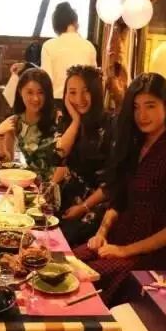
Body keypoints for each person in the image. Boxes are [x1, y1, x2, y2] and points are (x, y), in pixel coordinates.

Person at [75, 73, 166, 307]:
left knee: (83, 280)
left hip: (154, 255)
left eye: (150, 106)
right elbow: (119, 199)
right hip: (119, 238)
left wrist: (125, 251)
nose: (142, 115)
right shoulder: (136, 145)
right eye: (136, 107)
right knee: (66, 262)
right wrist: (101, 232)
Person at [54, 65, 117, 246]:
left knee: (62, 240)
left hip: (96, 203)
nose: (79, 99)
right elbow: (59, 158)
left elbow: (112, 182)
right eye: (72, 92)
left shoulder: (112, 125)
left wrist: (83, 207)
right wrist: (75, 122)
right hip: (67, 196)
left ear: (96, 92)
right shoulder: (67, 121)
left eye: (86, 91)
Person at [0, 68, 57, 181]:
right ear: (20, 91)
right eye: (30, 92)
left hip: (56, 184)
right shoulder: (15, 122)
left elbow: (65, 164)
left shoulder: (57, 119)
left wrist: (50, 186)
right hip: (30, 182)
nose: (35, 98)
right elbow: (7, 161)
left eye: (41, 92)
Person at [41, 2, 97, 106]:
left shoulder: (48, 46)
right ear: (75, 22)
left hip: (58, 103)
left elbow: (46, 81)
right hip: (84, 103)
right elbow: (94, 81)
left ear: (56, 26)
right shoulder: (89, 46)